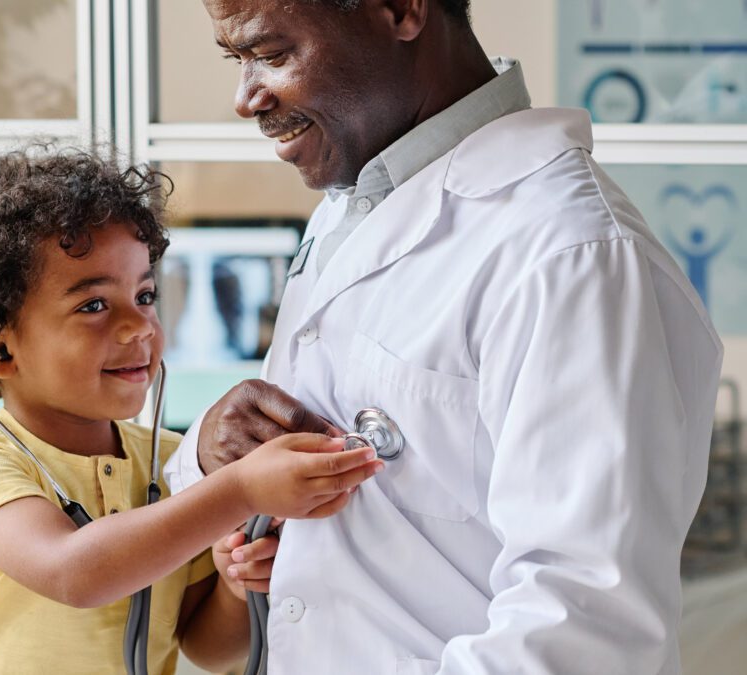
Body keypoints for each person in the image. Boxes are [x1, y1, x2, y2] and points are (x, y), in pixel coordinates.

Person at [164, 1, 724, 673]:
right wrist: (212, 441)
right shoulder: (352, 205)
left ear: (400, 10)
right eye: (238, 60)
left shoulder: (571, 253)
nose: (245, 99)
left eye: (273, 55)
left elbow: (583, 626)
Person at [0, 148, 383, 675]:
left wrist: (233, 586)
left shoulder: (172, 464)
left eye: (145, 295)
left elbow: (207, 649)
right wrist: (240, 490)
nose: (141, 326)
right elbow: (74, 573)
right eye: (94, 306)